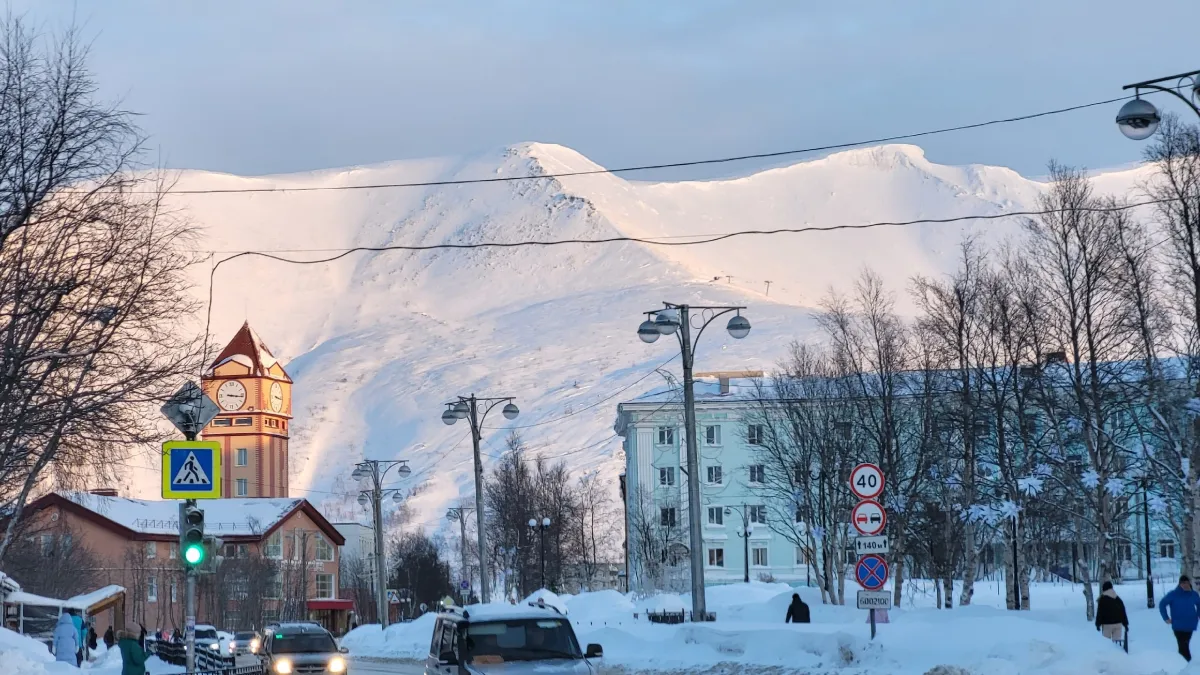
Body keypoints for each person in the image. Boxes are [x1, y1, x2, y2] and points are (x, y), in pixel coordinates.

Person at [1160, 575, 1200, 661]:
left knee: (1184, 647)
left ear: (1189, 583)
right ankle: (1189, 667)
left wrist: (1197, 615)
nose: (1185, 585)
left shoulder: (1193, 594)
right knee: (1183, 647)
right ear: (1179, 584)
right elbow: (1162, 604)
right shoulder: (1173, 594)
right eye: (1183, 583)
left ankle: (1185, 667)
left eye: (1186, 582)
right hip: (1178, 625)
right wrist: (1166, 618)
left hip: (1190, 625)